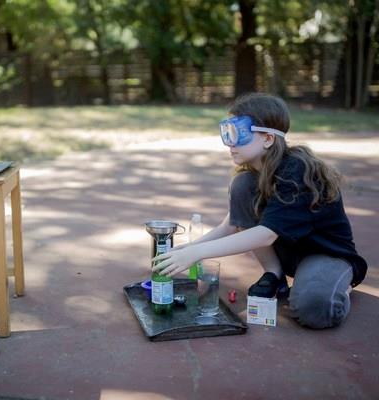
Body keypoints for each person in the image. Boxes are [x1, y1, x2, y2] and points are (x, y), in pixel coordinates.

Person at [152, 93, 367, 329]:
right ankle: (274, 274)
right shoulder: (250, 177)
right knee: (242, 185)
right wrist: (187, 250)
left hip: (326, 255)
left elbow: (265, 235)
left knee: (313, 309)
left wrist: (196, 253)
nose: (230, 143)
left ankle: (338, 285)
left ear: (267, 138)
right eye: (226, 133)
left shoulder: (298, 171)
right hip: (289, 252)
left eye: (237, 133)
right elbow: (232, 225)